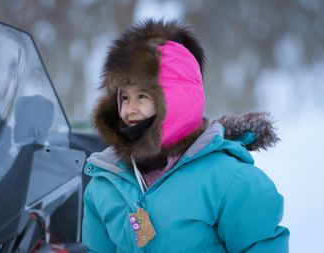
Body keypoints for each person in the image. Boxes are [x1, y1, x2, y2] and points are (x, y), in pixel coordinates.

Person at [81, 19, 289, 252]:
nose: (130, 109)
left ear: (176, 99)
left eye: (143, 96)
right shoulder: (106, 181)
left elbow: (261, 245)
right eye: (125, 98)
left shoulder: (227, 179)